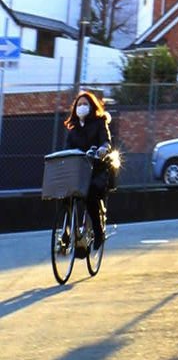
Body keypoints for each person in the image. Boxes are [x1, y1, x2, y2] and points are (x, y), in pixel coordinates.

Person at [63, 88, 120, 247]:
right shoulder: (73, 128)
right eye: (79, 104)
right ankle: (66, 230)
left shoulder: (99, 122)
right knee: (66, 195)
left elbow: (105, 141)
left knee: (91, 196)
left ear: (91, 106)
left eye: (85, 104)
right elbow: (68, 147)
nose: (81, 107)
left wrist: (103, 149)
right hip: (78, 169)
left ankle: (98, 231)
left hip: (96, 169)